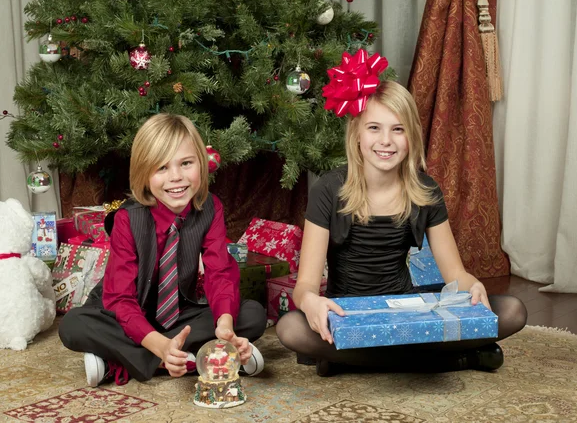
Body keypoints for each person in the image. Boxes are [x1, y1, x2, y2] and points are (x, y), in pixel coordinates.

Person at [276, 53, 527, 376]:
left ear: (411, 137)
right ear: (356, 134)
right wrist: (311, 303)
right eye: (374, 128)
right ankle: (456, 360)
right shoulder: (328, 190)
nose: (385, 141)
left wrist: (473, 285)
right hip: (348, 314)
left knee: (511, 311)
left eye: (398, 130)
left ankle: (347, 361)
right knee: (291, 329)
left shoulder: (425, 190)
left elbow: (456, 275)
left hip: (406, 314)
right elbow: (305, 286)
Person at [59, 114, 266, 386]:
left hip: (179, 314)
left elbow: (220, 273)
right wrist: (157, 344)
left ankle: (120, 362)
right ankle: (183, 358)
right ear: (144, 175)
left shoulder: (210, 208)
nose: (176, 178)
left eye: (186, 163)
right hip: (124, 312)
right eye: (161, 168)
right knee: (74, 324)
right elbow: (120, 298)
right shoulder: (127, 219)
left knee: (252, 314)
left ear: (201, 165)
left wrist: (224, 327)